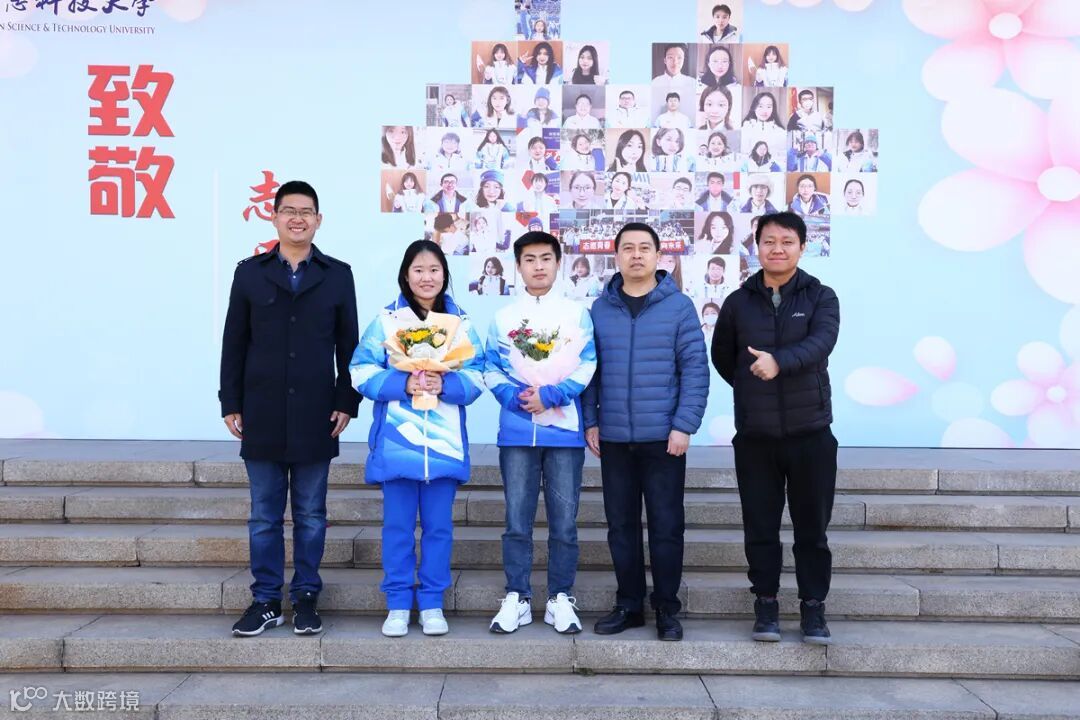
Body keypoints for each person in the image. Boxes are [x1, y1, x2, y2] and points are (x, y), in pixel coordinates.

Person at [222, 180, 360, 638]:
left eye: (306, 212)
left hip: (317, 413)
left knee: (311, 514)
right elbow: (234, 342)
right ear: (274, 216)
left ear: (319, 220)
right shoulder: (250, 273)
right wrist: (231, 402)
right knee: (263, 515)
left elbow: (349, 346)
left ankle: (304, 597)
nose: (297, 219)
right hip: (261, 410)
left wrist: (346, 401)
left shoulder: (337, 275)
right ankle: (265, 600)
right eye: (289, 210)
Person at [711, 211, 840, 646]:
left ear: (802, 247)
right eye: (769, 241)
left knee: (812, 530)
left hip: (811, 433)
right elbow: (723, 357)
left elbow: (821, 343)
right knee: (760, 528)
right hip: (756, 437)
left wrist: (778, 363)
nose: (777, 249)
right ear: (757, 247)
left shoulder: (821, 296)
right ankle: (765, 604)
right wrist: (752, 388)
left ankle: (813, 607)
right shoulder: (738, 302)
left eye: (787, 241)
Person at [350, 240, 485, 638]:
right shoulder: (387, 321)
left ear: (445, 275)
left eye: (434, 270)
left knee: (439, 529)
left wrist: (447, 385)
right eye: (419, 270)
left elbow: (478, 374)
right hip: (398, 445)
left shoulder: (461, 324)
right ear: (406, 276)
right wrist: (402, 382)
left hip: (444, 447)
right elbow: (360, 370)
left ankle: (431, 603)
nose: (427, 277)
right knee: (397, 529)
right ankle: (396, 603)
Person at [583, 222, 709, 642]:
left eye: (644, 248)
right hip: (615, 438)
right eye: (628, 248)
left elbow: (695, 370)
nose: (636, 255)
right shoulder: (600, 309)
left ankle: (667, 608)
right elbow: (589, 371)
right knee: (620, 526)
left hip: (664, 438)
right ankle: (629, 605)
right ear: (616, 255)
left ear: (658, 256)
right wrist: (591, 420)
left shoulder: (679, 307)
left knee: (666, 526)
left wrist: (683, 425)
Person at [484, 232, 598, 634]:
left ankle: (559, 597)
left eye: (546, 258)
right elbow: (490, 366)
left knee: (564, 522)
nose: (538, 266)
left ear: (558, 263)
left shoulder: (577, 314)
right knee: (517, 520)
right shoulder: (503, 317)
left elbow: (587, 363)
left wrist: (551, 394)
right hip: (517, 431)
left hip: (564, 432)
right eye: (529, 259)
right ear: (518, 266)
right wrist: (517, 398)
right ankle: (517, 596)